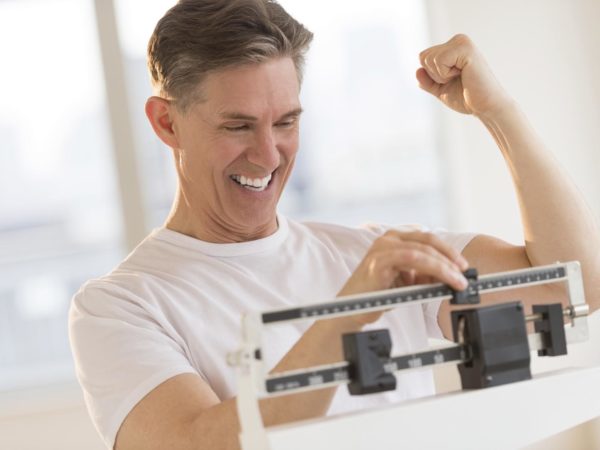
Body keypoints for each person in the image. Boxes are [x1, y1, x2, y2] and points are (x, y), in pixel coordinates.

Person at [68, 1, 600, 449]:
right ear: (167, 123)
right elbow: (194, 444)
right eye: (237, 125)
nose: (267, 154)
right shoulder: (120, 307)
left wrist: (499, 111)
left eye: (286, 122)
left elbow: (573, 284)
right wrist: (350, 313)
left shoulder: (374, 256)